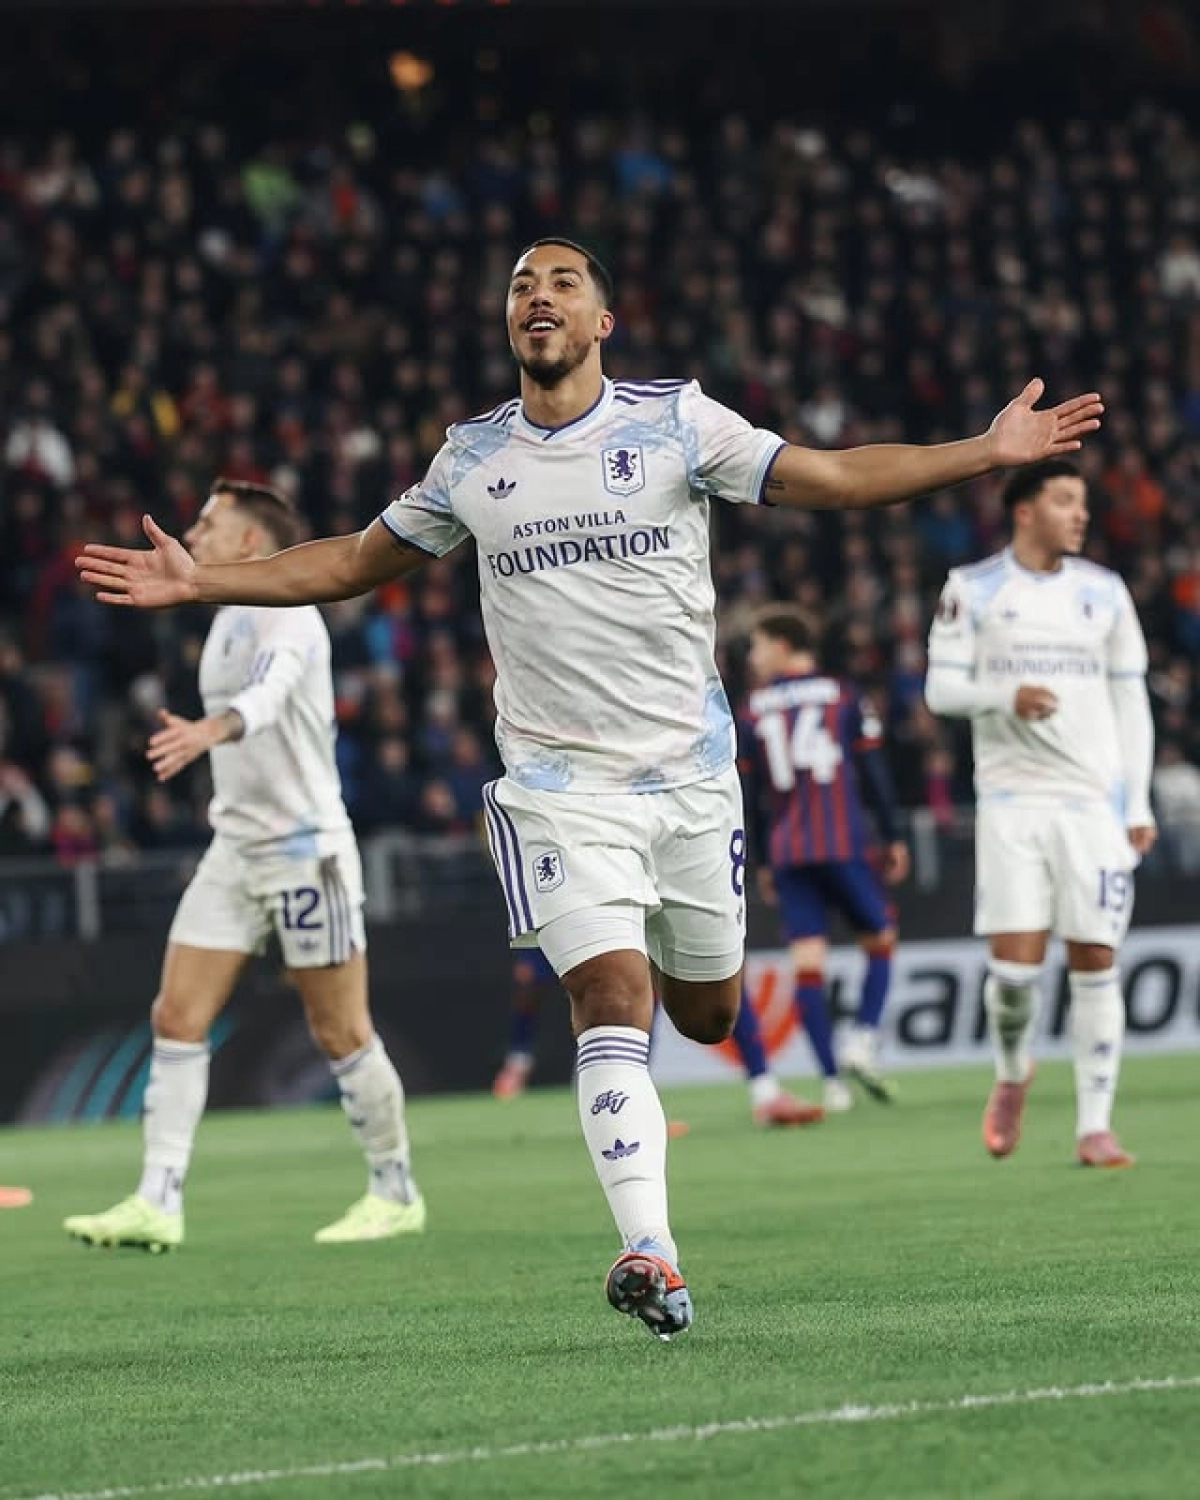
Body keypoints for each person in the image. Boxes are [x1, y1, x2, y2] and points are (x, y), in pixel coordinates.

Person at [76, 237, 1103, 1334]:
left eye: (563, 282)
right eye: (522, 284)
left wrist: (983, 452)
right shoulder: (472, 458)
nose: (539, 296)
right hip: (559, 790)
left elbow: (833, 476)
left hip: (692, 782)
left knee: (706, 1014)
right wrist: (206, 582)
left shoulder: (674, 423)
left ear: (602, 321)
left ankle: (656, 979)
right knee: (610, 999)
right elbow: (351, 561)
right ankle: (651, 1251)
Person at [64, 480, 425, 1252]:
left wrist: (209, 732)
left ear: (252, 542)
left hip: (307, 853)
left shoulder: (290, 616)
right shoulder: (226, 614)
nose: (194, 531)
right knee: (176, 1017)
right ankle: (158, 1199)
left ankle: (395, 1190)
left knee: (341, 1031)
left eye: (209, 522)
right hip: (235, 850)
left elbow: (268, 696)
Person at [924, 459, 1155, 1168]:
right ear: (1024, 510)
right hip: (1012, 801)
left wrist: (1138, 801)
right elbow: (940, 691)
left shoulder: (1105, 593)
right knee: (1015, 977)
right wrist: (1005, 697)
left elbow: (1131, 703)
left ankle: (1095, 1125)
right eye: (1063, 500)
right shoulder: (972, 589)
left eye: (1081, 501)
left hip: (1092, 803)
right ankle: (1012, 1072)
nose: (1079, 514)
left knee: (1097, 958)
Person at [738, 607, 909, 1113]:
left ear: (783, 645)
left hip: (789, 852)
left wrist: (761, 859)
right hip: (841, 842)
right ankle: (862, 1037)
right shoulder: (843, 695)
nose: (753, 657)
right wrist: (893, 835)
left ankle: (832, 1082)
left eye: (758, 646)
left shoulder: (751, 710)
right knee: (880, 940)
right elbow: (873, 771)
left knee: (807, 965)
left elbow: (751, 795)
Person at [492, 947, 826, 1128]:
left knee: (721, 969)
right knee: (620, 982)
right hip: (601, 864)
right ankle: (621, 1100)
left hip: (673, 858)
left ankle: (765, 1090)